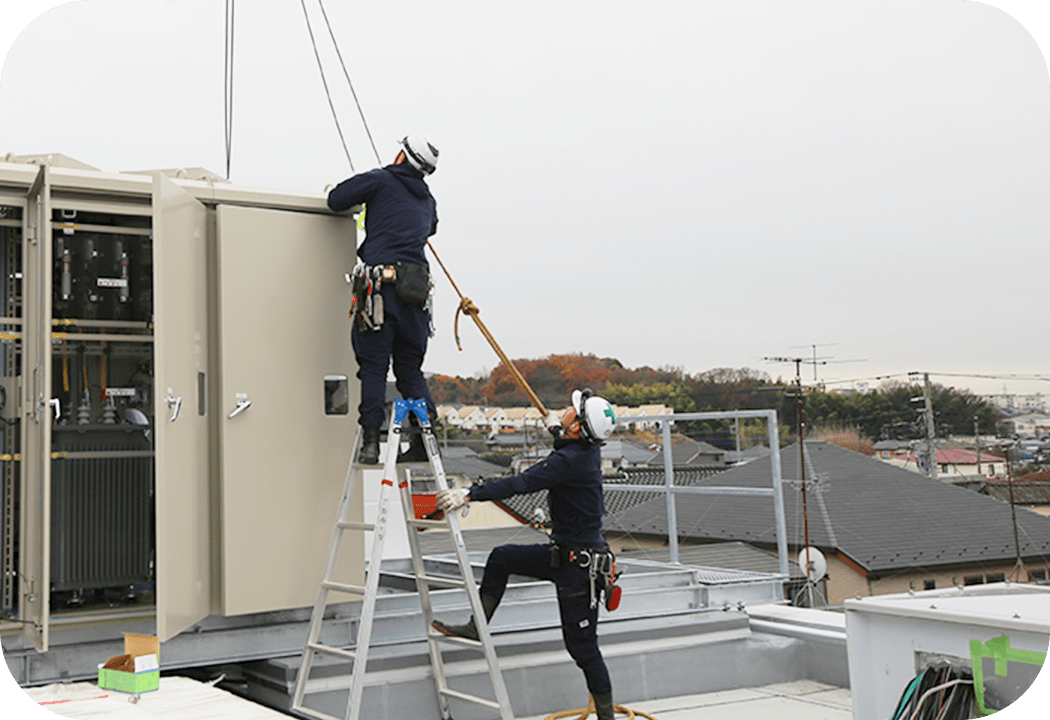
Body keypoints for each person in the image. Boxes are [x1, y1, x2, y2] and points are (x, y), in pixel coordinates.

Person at [432, 389, 619, 720]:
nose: (564, 410)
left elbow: (521, 483)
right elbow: (567, 443)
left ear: (577, 427)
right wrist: (555, 430)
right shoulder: (582, 450)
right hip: (564, 555)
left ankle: (606, 716)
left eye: (569, 412)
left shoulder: (569, 461)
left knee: (583, 649)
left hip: (580, 566)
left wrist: (468, 494)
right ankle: (477, 626)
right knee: (502, 558)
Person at [328, 134, 440, 464]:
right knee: (410, 370)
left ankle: (370, 443)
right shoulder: (427, 200)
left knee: (375, 367)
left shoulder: (380, 180)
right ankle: (423, 440)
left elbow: (336, 199)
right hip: (416, 292)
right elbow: (430, 228)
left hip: (383, 291)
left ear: (401, 156)